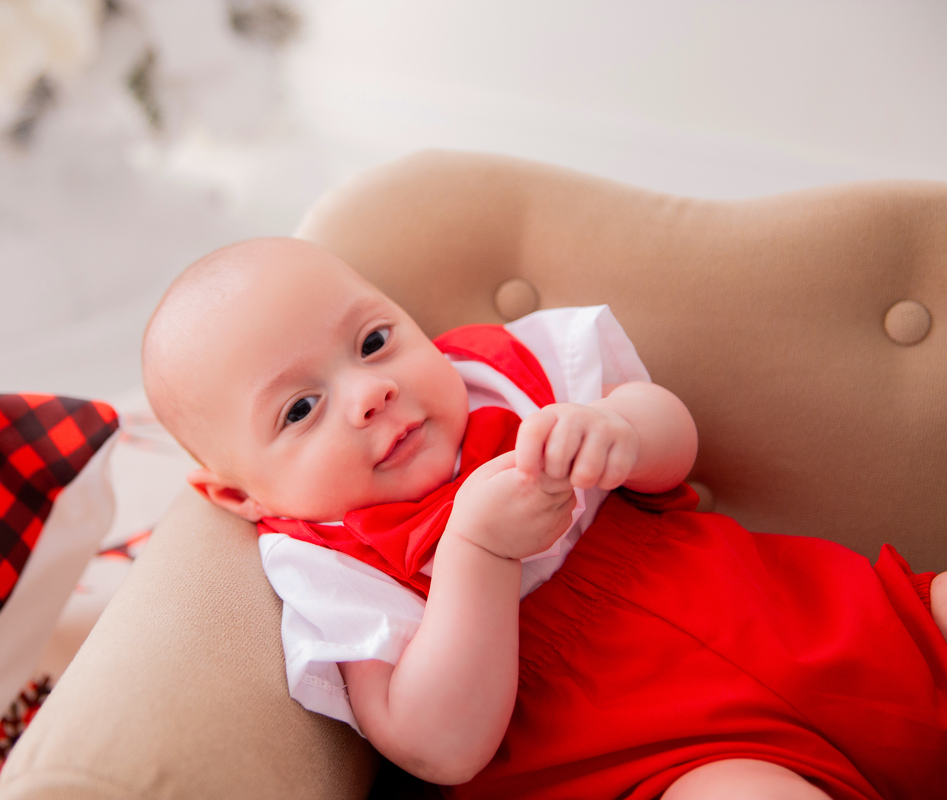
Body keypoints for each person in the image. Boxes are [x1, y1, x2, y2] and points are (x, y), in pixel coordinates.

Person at [141, 237, 947, 800]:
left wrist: (625, 432)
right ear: (238, 495)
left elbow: (675, 448)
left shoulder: (511, 374)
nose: (370, 391)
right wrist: (477, 555)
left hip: (828, 618)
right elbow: (436, 745)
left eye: (375, 339)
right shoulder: (329, 564)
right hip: (671, 760)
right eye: (302, 407)